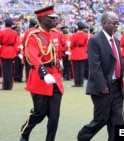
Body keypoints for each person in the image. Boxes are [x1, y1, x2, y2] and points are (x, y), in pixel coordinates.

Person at [77, 11, 124, 141]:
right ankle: (83, 137)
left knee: (117, 121)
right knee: (101, 119)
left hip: (117, 86)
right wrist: (102, 85)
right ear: (103, 23)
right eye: (113, 23)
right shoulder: (95, 40)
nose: (116, 26)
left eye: (117, 23)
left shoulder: (116, 40)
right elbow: (95, 66)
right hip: (103, 87)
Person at [20, 5, 64, 141]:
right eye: (52, 18)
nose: (55, 20)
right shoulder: (33, 36)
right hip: (40, 79)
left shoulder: (56, 33)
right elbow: (33, 56)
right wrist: (44, 73)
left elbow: (58, 52)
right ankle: (25, 132)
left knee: (54, 117)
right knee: (39, 113)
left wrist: (59, 63)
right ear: (43, 19)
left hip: (55, 78)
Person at [0, 18, 18, 90]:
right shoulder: (15, 33)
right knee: (11, 70)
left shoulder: (2, 32)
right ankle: (10, 85)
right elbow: (15, 43)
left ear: (5, 24)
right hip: (11, 51)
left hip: (4, 50)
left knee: (4, 70)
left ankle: (5, 85)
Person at [70, 21, 88, 87]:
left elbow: (71, 45)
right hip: (82, 51)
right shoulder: (85, 35)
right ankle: (81, 82)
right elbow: (86, 44)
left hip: (75, 51)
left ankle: (77, 83)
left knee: (76, 69)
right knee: (81, 68)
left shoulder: (74, 35)